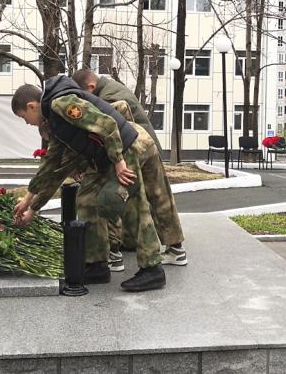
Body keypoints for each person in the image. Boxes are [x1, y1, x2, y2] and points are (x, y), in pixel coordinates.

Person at [11, 76, 166, 292]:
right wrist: (30, 204)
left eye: (23, 117)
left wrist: (119, 162)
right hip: (106, 157)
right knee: (86, 200)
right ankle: (96, 265)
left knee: (130, 202)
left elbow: (107, 124)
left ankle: (152, 269)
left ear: (31, 106)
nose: (26, 122)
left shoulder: (61, 104)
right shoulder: (54, 121)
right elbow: (53, 167)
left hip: (125, 148)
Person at [71, 69, 186, 270]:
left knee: (121, 197)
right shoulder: (110, 88)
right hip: (145, 146)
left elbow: (113, 125)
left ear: (90, 87)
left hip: (135, 149)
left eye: (83, 95)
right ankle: (175, 249)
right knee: (159, 196)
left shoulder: (109, 96)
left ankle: (115, 253)